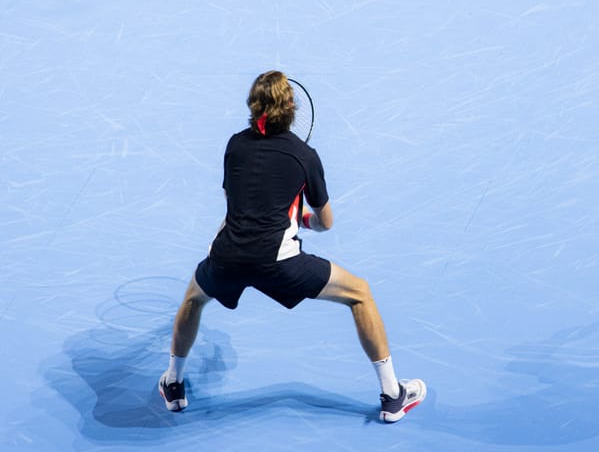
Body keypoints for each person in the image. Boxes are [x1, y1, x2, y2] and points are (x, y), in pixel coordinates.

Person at [158, 70, 425, 423]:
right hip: (279, 263)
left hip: (227, 256)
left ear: (254, 107)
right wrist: (300, 221)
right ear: (292, 107)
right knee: (360, 293)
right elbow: (325, 222)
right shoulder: (305, 156)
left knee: (193, 298)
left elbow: (234, 199)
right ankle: (393, 395)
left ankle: (173, 385)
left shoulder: (234, 145)